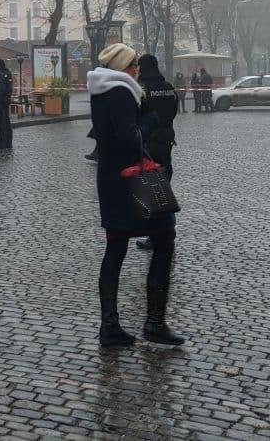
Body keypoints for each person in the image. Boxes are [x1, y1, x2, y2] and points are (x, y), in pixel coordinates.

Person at [87, 42, 184, 347]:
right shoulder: (120, 92)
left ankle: (110, 325)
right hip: (132, 182)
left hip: (112, 180)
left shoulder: (102, 89)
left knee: (115, 251)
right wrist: (151, 119)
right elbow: (131, 137)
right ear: (121, 67)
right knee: (164, 240)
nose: (136, 71)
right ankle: (153, 323)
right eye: (132, 65)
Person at [134, 54, 178, 253]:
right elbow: (174, 110)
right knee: (164, 184)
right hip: (166, 140)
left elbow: (136, 115)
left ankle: (156, 235)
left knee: (152, 189)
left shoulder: (141, 89)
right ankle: (168, 230)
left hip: (148, 142)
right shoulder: (168, 87)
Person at [0, 59, 14, 149]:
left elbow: (0, 89)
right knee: (6, 120)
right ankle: (9, 142)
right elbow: (9, 88)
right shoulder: (8, 73)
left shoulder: (0, 74)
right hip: (6, 100)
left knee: (2, 122)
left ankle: (3, 142)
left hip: (1, 101)